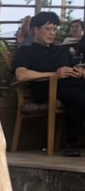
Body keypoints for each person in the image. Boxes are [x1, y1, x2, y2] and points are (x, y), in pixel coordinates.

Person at [11, 11, 85, 157]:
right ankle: (72, 142)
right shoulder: (26, 51)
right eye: (47, 29)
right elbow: (21, 75)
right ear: (36, 29)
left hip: (71, 84)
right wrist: (54, 75)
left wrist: (80, 72)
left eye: (54, 29)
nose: (51, 33)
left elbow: (75, 67)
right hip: (46, 88)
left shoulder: (62, 50)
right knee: (77, 95)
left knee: (78, 91)